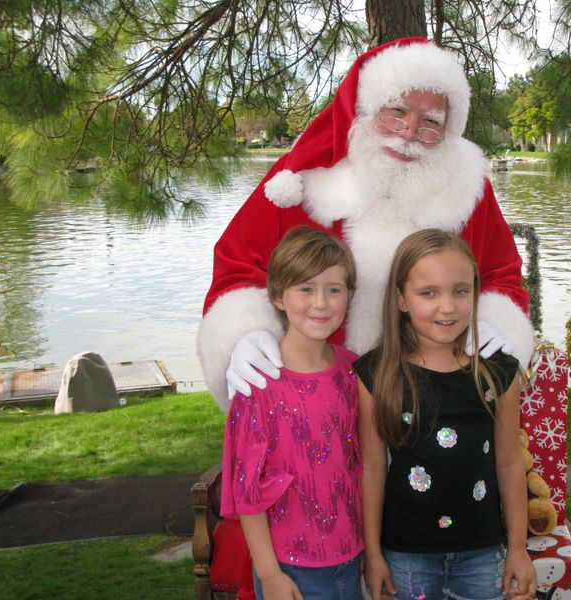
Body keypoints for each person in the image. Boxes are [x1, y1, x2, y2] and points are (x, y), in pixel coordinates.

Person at [199, 36, 535, 413]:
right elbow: (237, 263)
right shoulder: (300, 181)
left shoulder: (469, 188)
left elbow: (501, 271)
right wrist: (245, 333)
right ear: (367, 108)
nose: (409, 133)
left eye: (430, 123)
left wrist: (491, 322)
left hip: (428, 401)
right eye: (396, 112)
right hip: (313, 395)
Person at [356, 229, 536, 600]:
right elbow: (373, 470)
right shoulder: (377, 375)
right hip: (406, 553)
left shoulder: (497, 371)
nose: (448, 307)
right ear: (401, 299)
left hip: (483, 552)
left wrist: (517, 549)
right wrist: (373, 554)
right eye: (429, 293)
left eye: (460, 290)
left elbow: (508, 462)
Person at [220, 226, 364, 600]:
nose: (321, 303)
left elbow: (368, 466)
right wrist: (269, 575)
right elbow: (247, 492)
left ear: (349, 295)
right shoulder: (260, 385)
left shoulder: (356, 372)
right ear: (278, 296)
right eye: (305, 288)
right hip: (290, 566)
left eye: (334, 289)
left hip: (353, 556)